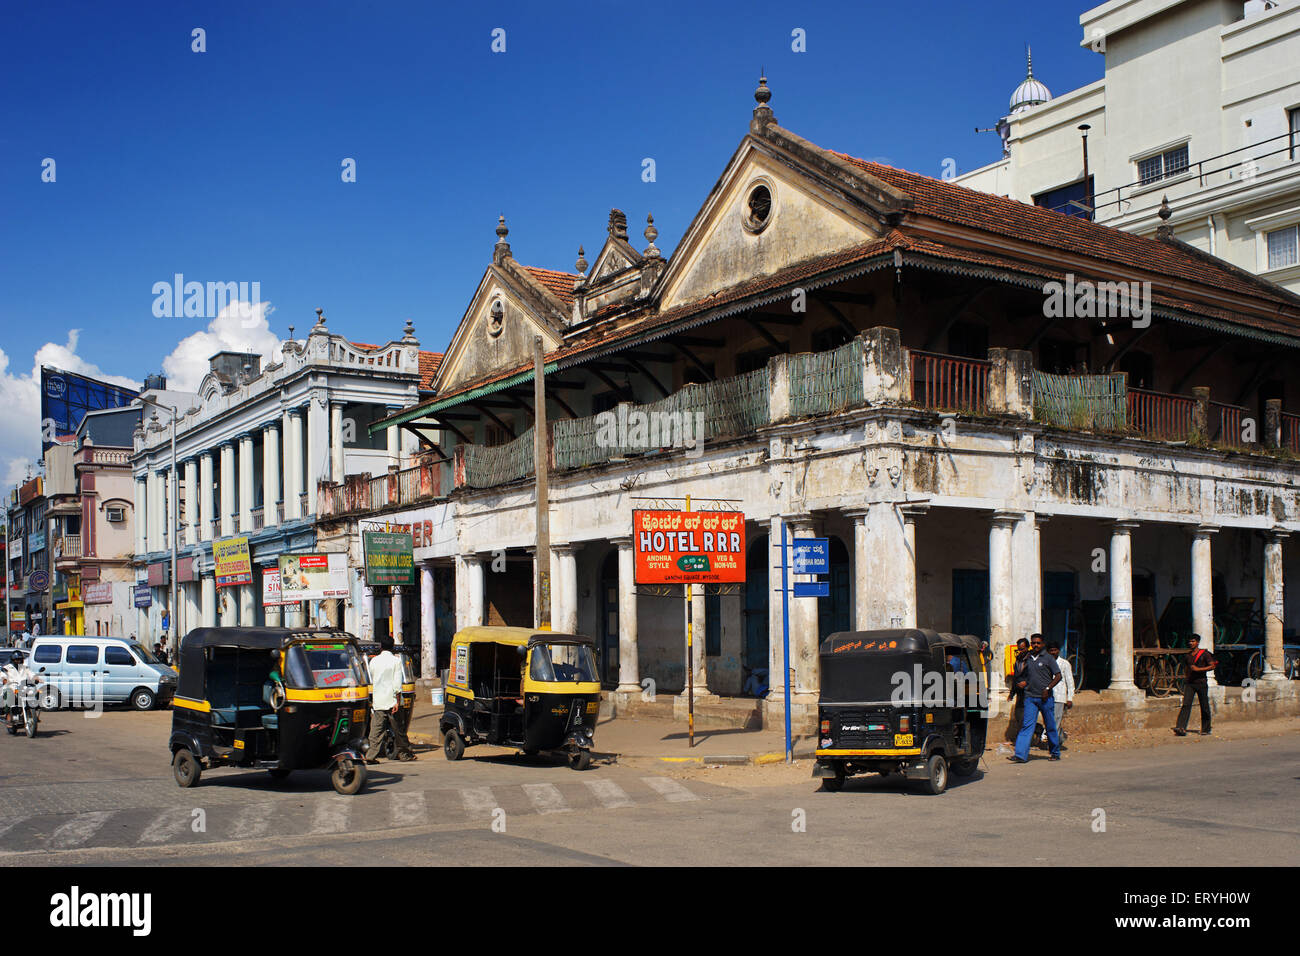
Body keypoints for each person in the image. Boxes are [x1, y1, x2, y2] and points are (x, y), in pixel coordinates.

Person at [1011, 633, 1062, 762]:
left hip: (1045, 698)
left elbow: (1058, 676)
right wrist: (1023, 684)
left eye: (1038, 643)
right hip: (1030, 698)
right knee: (1027, 726)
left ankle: (1055, 752)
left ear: (1043, 644)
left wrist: (1047, 689)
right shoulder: (1028, 658)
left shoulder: (1049, 658)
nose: (1035, 645)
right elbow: (1023, 674)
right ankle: (1020, 755)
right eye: (1033, 643)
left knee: (1050, 726)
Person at [365, 637, 414, 763]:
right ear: (392, 647)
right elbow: (397, 684)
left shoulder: (374, 661)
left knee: (376, 731)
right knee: (399, 730)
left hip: (379, 701)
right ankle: (404, 754)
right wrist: (397, 702)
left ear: (381, 647)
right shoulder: (396, 661)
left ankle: (371, 755)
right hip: (392, 702)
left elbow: (372, 676)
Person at [1173, 633, 1215, 737]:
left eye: (1193, 641)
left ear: (1197, 642)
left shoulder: (1205, 654)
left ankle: (1206, 728)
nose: (1191, 643)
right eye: (1190, 641)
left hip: (1201, 683)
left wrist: (1199, 670)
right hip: (1190, 683)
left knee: (1204, 706)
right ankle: (1181, 727)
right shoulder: (1188, 656)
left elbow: (1212, 666)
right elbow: (1187, 668)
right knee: (1186, 705)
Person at [1038, 641, 1074, 746]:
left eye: (1055, 650)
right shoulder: (1044, 662)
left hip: (1060, 696)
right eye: (1051, 651)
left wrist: (1070, 698)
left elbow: (1070, 681)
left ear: (1058, 651)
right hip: (1047, 695)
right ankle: (1058, 738)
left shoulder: (1064, 664)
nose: (1053, 652)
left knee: (1056, 720)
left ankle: (1053, 744)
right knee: (1049, 719)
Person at [1, 650, 43, 726]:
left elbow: (31, 674)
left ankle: (31, 714)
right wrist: (4, 680)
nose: (18, 661)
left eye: (20, 659)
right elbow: (3, 675)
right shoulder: (7, 668)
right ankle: (8, 715)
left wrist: (36, 678)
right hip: (11, 687)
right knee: (9, 696)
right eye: (16, 659)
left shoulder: (25, 667)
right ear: (13, 660)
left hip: (23, 687)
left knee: (34, 694)